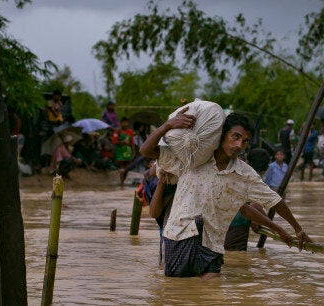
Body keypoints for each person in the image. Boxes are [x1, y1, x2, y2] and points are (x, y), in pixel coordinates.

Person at [140, 109, 313, 280]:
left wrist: (297, 229)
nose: (239, 145)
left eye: (245, 141)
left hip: (212, 245)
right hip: (180, 236)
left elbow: (274, 201)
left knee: (212, 292)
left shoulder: (245, 175)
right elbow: (146, 151)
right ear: (222, 135)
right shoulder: (192, 158)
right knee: (177, 293)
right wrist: (168, 125)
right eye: (235, 137)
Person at [224, 148, 273, 251]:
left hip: (222, 222)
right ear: (267, 166)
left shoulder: (237, 173)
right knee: (236, 259)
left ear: (248, 161)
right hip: (238, 227)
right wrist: (272, 226)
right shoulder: (257, 180)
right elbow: (255, 206)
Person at [114, 117, 135, 185]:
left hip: (128, 152)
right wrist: (122, 142)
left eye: (127, 122)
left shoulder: (130, 132)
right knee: (121, 167)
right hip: (120, 152)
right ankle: (121, 182)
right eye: (124, 122)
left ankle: (122, 182)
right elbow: (114, 141)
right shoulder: (117, 131)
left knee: (127, 168)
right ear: (121, 123)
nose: (126, 124)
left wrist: (133, 152)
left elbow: (132, 143)